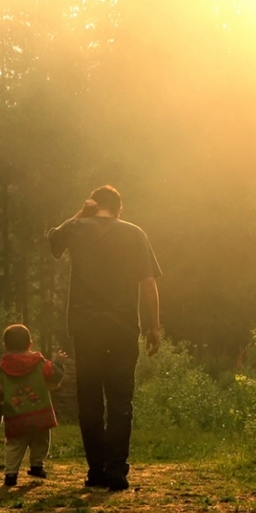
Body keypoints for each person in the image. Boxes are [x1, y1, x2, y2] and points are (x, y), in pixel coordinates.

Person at [48, 185, 161, 491]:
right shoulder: (135, 233)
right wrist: (154, 327)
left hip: (87, 329)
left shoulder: (78, 228)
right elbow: (148, 283)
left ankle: (96, 470)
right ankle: (117, 472)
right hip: (123, 328)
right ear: (119, 209)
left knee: (90, 400)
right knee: (121, 400)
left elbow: (54, 243)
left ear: (93, 204)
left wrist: (79, 214)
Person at [0, 324, 68, 487]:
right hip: (40, 414)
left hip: (15, 417)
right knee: (41, 440)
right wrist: (58, 362)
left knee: (14, 445)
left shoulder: (1, 370)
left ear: (5, 346)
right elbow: (54, 375)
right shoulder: (39, 363)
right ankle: (37, 465)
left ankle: (11, 474)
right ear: (30, 343)